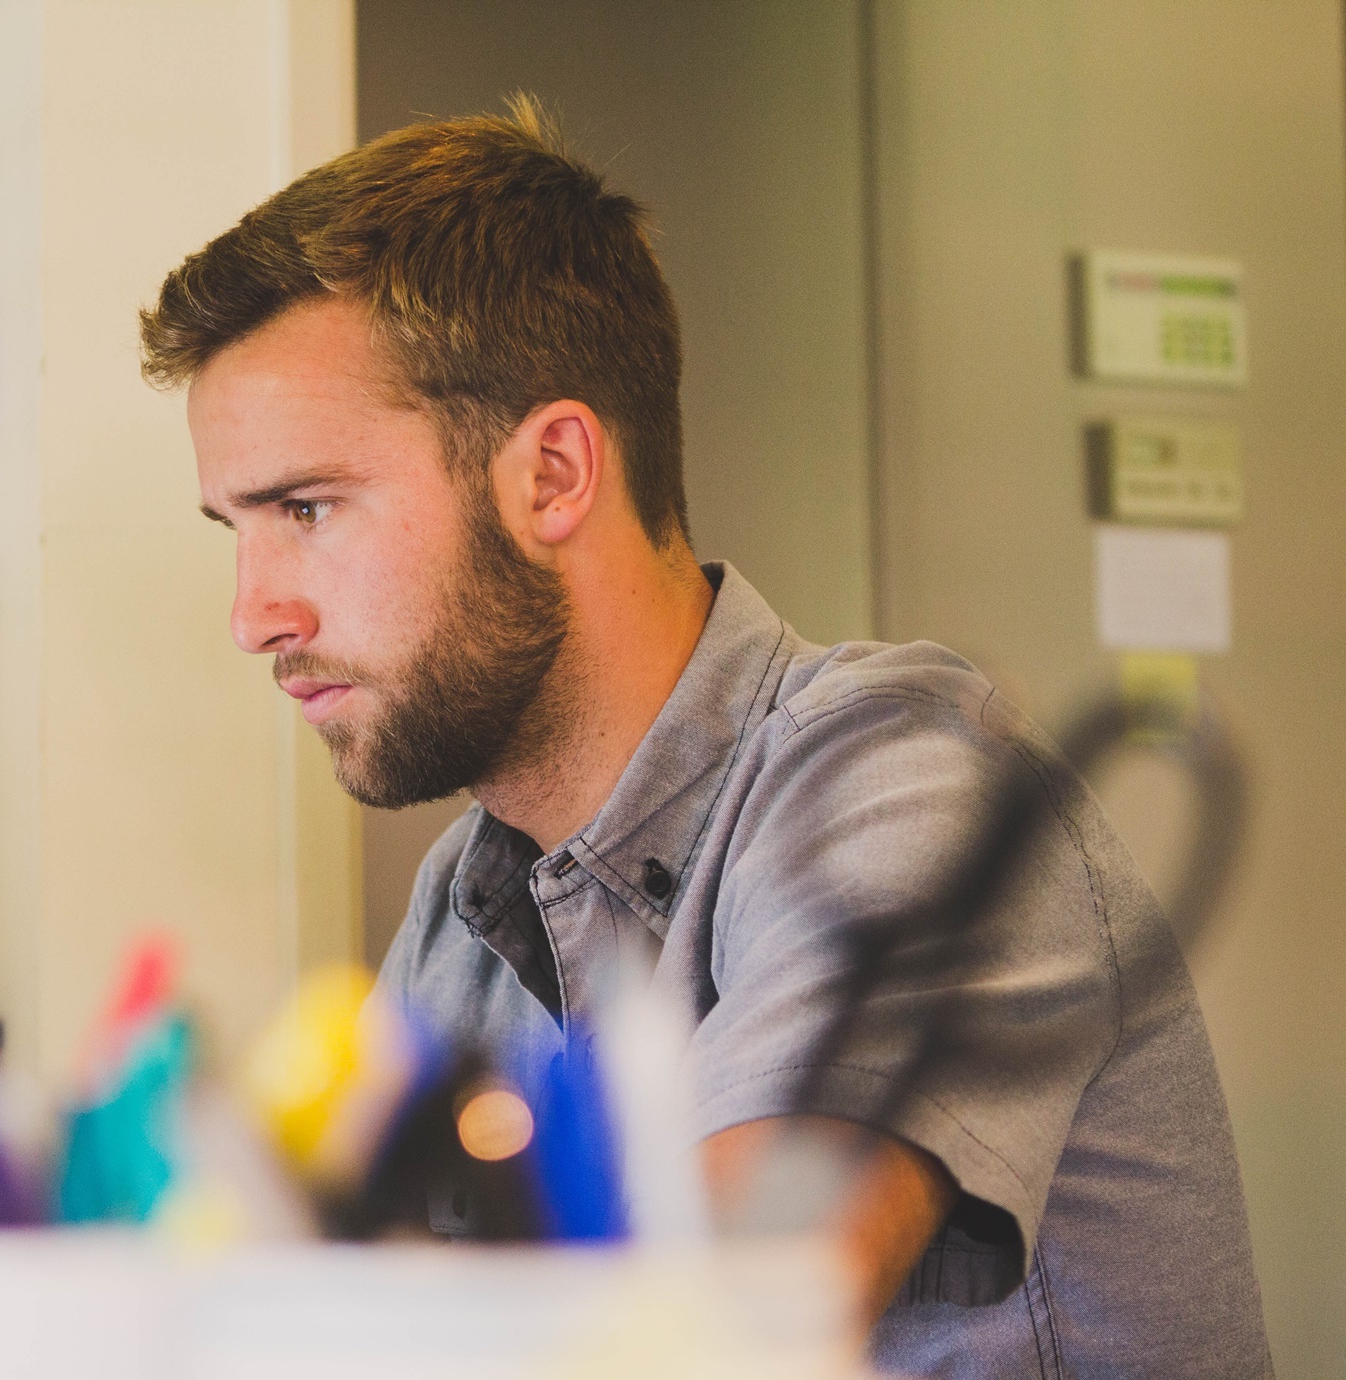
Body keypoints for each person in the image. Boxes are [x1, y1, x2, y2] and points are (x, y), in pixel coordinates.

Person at [139, 101, 1270, 1377]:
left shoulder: (912, 778)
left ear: (554, 474)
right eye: (233, 528)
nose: (254, 615)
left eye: (305, 507)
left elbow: (725, 1328)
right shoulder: (463, 912)